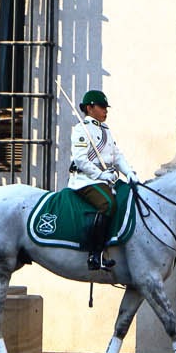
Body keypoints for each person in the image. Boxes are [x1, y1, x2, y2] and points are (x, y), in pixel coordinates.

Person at [68, 89, 135, 270]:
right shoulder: (82, 129)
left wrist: (129, 173)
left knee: (128, 197)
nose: (106, 111)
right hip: (86, 180)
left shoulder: (106, 130)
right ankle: (95, 252)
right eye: (102, 107)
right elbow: (81, 159)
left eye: (106, 107)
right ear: (90, 108)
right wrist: (100, 175)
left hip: (106, 179)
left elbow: (117, 156)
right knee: (107, 204)